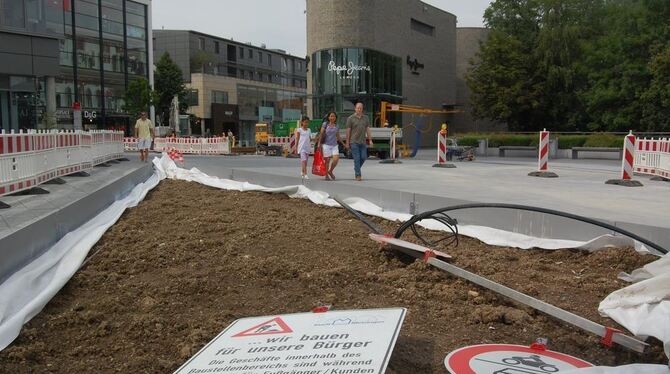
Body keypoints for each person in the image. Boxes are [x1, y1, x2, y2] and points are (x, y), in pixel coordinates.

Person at [345, 102, 373, 181]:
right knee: (357, 159)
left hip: (363, 142)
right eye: (358, 108)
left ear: (362, 109)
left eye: (360, 108)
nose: (359, 109)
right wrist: (347, 142)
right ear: (355, 109)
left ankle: (356, 168)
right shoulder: (350, 118)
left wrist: (370, 140)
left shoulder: (366, 118)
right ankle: (358, 175)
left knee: (364, 157)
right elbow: (348, 131)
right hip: (353, 141)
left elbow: (368, 129)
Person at [316, 111, 342, 181]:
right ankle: (326, 175)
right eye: (331, 116)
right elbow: (321, 134)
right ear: (328, 117)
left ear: (336, 118)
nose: (332, 117)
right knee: (327, 161)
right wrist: (319, 143)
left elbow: (338, 136)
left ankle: (330, 171)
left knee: (336, 159)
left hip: (334, 145)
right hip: (326, 145)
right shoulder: (325, 124)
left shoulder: (337, 126)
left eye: (333, 116)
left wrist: (344, 143)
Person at [295, 115, 312, 180]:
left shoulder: (309, 130)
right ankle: (305, 174)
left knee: (305, 162)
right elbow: (297, 138)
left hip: (307, 147)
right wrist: (296, 147)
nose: (306, 124)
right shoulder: (299, 130)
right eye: (305, 122)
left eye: (307, 122)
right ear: (302, 122)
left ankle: (302, 171)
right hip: (301, 148)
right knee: (304, 160)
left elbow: (310, 138)